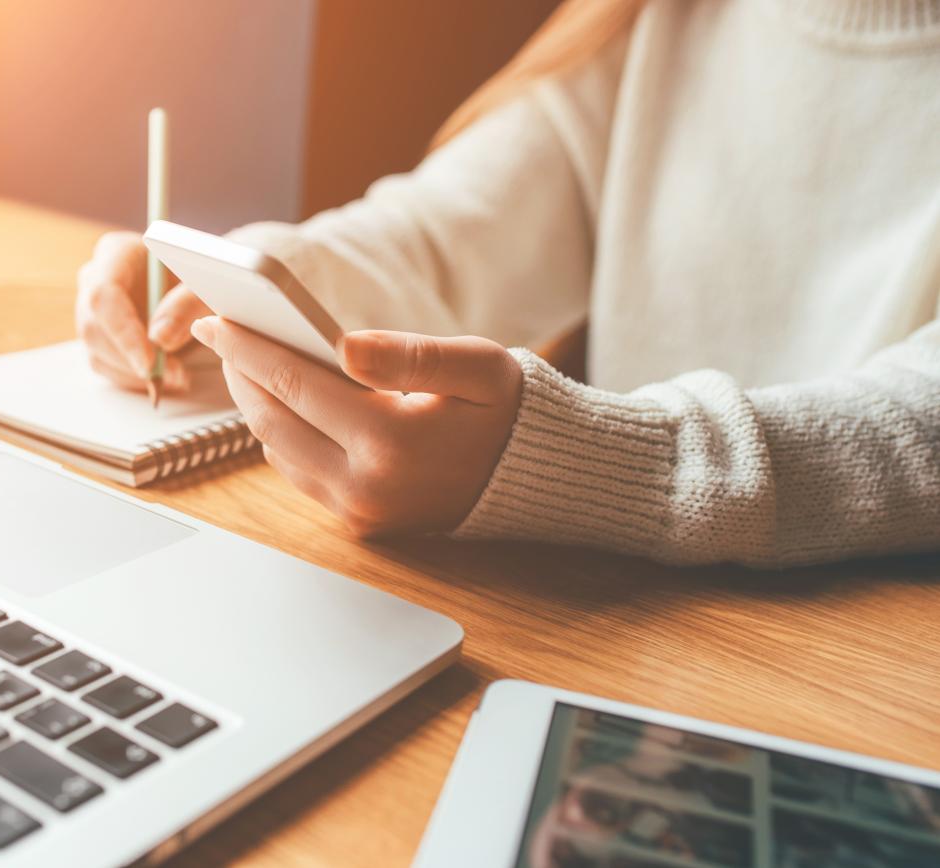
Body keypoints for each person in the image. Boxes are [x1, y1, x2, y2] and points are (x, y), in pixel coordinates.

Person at [76, 0, 940, 568]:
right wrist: (243, 280)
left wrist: (606, 465)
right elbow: (450, 234)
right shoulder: (664, 18)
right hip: (621, 615)